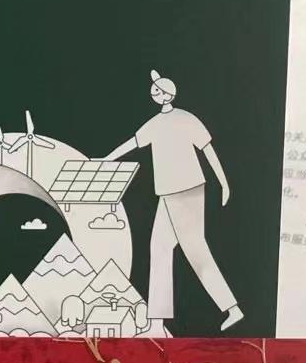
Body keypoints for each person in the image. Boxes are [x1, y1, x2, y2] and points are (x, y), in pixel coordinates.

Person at [104, 70, 243, 332]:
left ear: (169, 93)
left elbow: (208, 150)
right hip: (167, 193)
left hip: (187, 190)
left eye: (159, 91)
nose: (155, 95)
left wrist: (224, 183)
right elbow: (132, 143)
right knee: (159, 247)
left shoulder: (186, 119)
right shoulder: (155, 124)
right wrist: (106, 159)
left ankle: (231, 308)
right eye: (153, 91)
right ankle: (157, 320)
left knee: (195, 249)